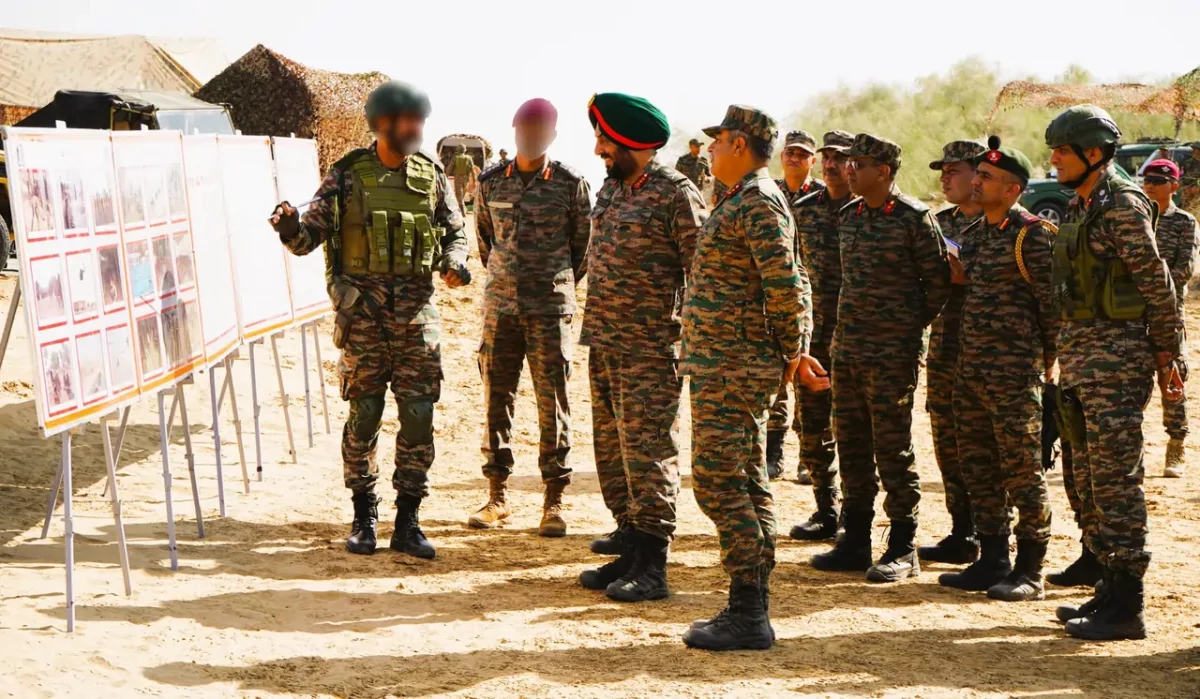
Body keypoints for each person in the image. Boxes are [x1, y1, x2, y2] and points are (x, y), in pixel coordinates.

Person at [269, 80, 471, 560]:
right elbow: (307, 238)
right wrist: (290, 226)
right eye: (409, 121)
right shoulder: (347, 175)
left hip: (417, 317)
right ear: (382, 123)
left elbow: (455, 231)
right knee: (364, 416)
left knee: (419, 417)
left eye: (420, 121)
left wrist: (455, 262)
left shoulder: (432, 175)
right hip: (364, 317)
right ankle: (364, 514)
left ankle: (409, 519)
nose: (417, 129)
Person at [680, 105, 825, 651]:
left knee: (720, 481)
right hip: (724, 360)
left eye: (718, 142)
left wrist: (794, 352)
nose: (711, 151)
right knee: (742, 479)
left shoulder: (759, 202)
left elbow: (787, 282)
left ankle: (748, 610)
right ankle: (750, 603)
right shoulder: (743, 199)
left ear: (739, 144)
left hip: (735, 365)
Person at [1043, 105, 1184, 641]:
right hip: (1083, 360)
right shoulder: (1084, 204)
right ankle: (1107, 583)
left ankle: (1128, 604)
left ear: (1093, 153)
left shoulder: (1122, 204)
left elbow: (1158, 284)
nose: (1053, 159)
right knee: (1089, 478)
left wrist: (1169, 356)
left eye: (1062, 150)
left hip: (1118, 364)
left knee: (1116, 479)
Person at [577, 92, 707, 603]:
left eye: (605, 140)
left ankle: (653, 566)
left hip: (652, 349)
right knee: (613, 453)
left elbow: (701, 273)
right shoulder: (611, 191)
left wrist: (691, 340)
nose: (598, 150)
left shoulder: (676, 193)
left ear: (633, 141)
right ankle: (630, 548)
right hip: (604, 342)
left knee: (648, 454)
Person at [811, 133, 951, 583]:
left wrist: (905, 328)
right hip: (847, 349)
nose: (848, 170)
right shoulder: (849, 217)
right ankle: (854, 539)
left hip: (891, 354)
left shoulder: (914, 218)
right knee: (851, 445)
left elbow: (938, 286)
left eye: (859, 164)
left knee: (892, 449)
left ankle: (902, 546)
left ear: (884, 171)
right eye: (847, 163)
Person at [937, 137, 1058, 602]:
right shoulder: (974, 234)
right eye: (978, 175)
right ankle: (991, 558)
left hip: (1013, 373)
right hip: (970, 370)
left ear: (1012, 189)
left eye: (987, 177)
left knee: (1022, 470)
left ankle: (1031, 568)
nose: (978, 181)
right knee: (978, 466)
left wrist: (1049, 365)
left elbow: (1051, 307)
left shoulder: (1032, 234)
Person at [470, 98, 592, 536]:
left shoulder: (570, 184)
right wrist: (508, 281)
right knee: (495, 401)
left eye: (541, 129)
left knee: (552, 402)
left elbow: (583, 249)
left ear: (553, 135)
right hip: (500, 308)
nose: (532, 134)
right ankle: (496, 496)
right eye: (526, 127)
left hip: (550, 309)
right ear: (514, 128)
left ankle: (553, 501)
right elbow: (486, 244)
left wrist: (551, 283)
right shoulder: (489, 184)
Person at [917, 140, 986, 566]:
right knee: (947, 442)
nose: (945, 177)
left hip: (988, 354)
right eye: (942, 169)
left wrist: (968, 279)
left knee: (986, 448)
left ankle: (991, 533)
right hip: (944, 349)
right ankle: (963, 531)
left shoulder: (1005, 225)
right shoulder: (937, 223)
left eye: (954, 170)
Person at [787, 129, 854, 541]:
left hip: (854, 338)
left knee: (851, 429)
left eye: (839, 159)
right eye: (826, 158)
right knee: (811, 427)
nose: (830, 165)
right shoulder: (804, 210)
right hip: (813, 337)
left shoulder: (866, 212)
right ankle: (825, 508)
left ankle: (854, 513)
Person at [766, 129, 827, 480]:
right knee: (779, 376)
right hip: (779, 298)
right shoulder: (769, 192)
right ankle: (774, 453)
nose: (794, 159)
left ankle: (810, 455)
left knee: (810, 385)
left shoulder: (821, 197)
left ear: (812, 161)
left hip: (816, 299)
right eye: (790, 153)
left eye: (802, 154)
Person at [1141, 158, 1198, 478]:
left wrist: (1154, 291)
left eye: (1158, 181)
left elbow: (1185, 268)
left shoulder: (1184, 222)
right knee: (1134, 377)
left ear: (1173, 186)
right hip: (1134, 311)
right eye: (1147, 179)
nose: (1150, 185)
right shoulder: (1136, 218)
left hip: (1168, 311)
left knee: (1172, 377)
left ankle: (1176, 445)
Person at [450, 145, 476, 210]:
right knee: (462, 194)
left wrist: (445, 176)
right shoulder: (469, 158)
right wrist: (474, 181)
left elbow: (450, 168)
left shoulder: (455, 157)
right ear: (465, 150)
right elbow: (473, 170)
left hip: (458, 177)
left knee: (459, 194)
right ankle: (461, 207)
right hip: (466, 178)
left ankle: (461, 209)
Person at [1179, 142, 1200, 216]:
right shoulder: (1188, 163)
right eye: (1194, 149)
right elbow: (1182, 177)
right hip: (1188, 194)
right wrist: (1185, 188)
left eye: (1198, 149)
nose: (1196, 152)